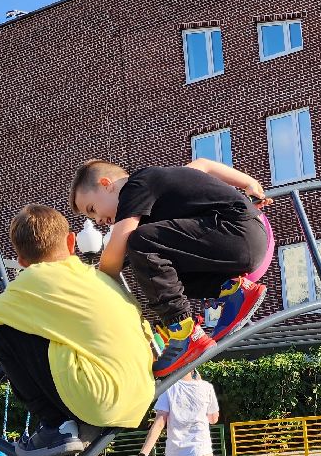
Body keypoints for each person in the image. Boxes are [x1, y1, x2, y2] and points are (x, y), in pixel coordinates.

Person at [0, 203, 155, 456]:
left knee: (2, 332)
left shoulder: (27, 284)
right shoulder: (100, 277)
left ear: (22, 261)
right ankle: (76, 421)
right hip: (141, 394)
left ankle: (55, 425)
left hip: (96, 397)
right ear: (71, 242)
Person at [71, 158, 269, 377]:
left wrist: (89, 282)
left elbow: (117, 249)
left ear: (107, 184)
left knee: (138, 242)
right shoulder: (164, 183)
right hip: (239, 240)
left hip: (237, 233)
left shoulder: (136, 184)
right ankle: (233, 289)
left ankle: (183, 331)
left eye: (92, 209)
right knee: (153, 267)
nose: (98, 220)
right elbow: (203, 165)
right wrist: (248, 183)